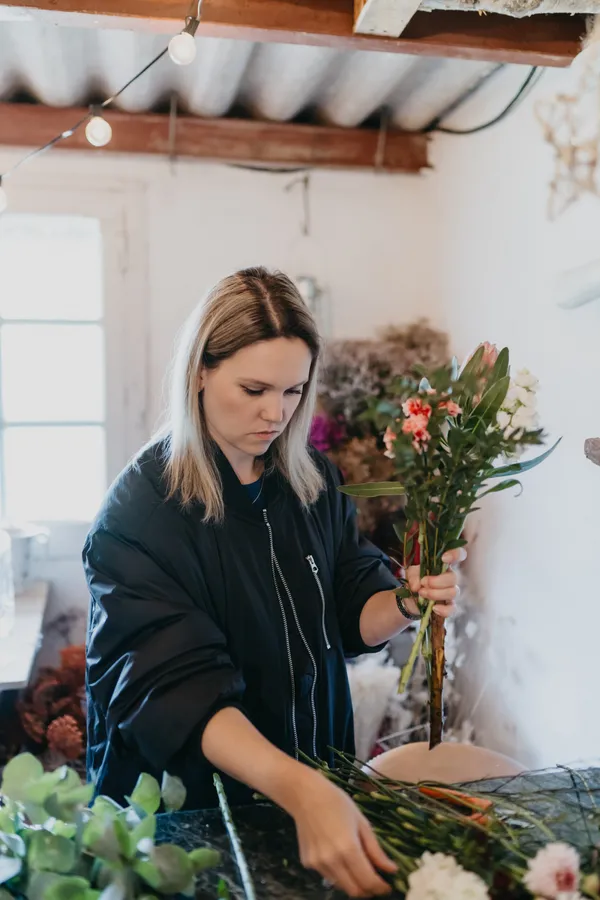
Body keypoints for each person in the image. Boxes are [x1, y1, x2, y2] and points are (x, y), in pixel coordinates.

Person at [84, 267, 464, 898]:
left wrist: (406, 599)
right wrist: (302, 788)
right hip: (190, 821)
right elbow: (178, 688)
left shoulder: (309, 480)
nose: (275, 413)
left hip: (305, 791)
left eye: (293, 391)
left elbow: (348, 608)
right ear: (200, 371)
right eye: (254, 388)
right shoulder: (140, 516)